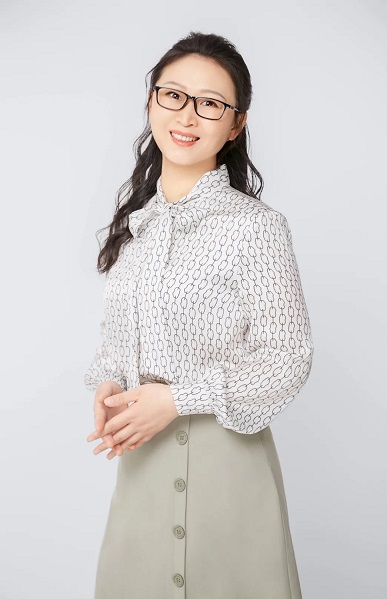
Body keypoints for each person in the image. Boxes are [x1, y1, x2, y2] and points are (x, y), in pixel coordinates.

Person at [84, 30, 314, 599]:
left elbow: (289, 357)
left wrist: (177, 399)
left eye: (211, 103)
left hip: (229, 470)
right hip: (142, 467)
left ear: (236, 124)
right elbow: (117, 341)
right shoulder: (136, 230)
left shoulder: (256, 228)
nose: (187, 115)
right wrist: (110, 383)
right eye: (174, 95)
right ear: (151, 102)